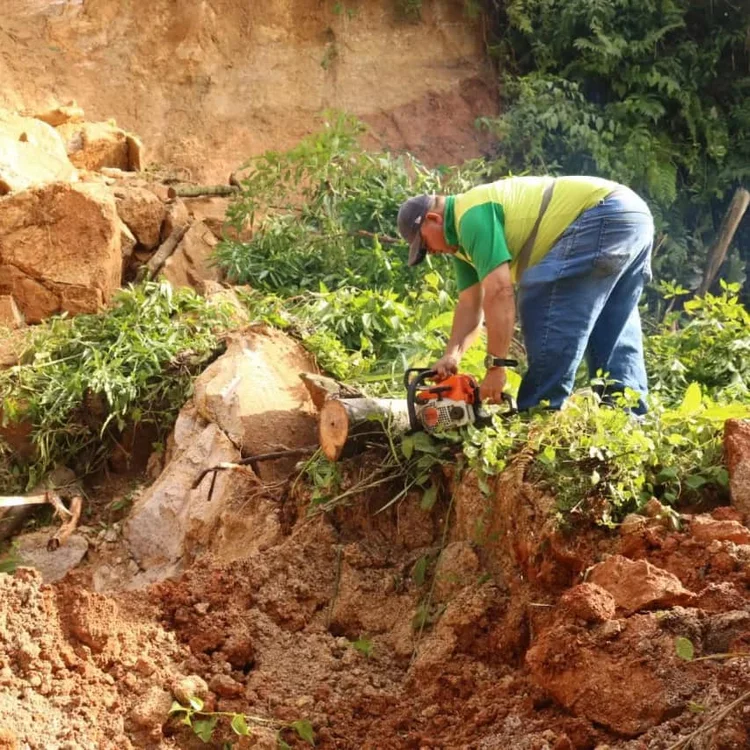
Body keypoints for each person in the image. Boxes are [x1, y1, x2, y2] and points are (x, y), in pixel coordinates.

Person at [396, 175, 654, 413]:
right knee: (612, 323)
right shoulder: (460, 243)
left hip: (603, 213)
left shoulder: (471, 216)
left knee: (541, 297)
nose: (429, 252)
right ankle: (627, 414)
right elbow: (470, 303)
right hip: (633, 215)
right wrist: (452, 355)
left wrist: (497, 368)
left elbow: (499, 292)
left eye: (424, 243)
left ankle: (540, 412)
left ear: (432, 219)